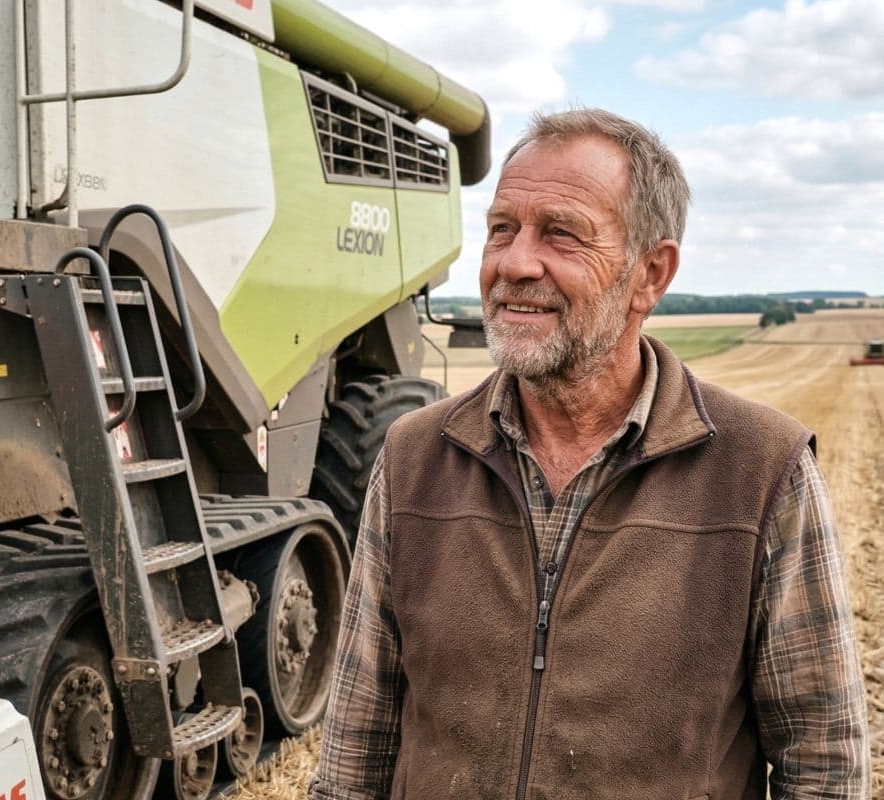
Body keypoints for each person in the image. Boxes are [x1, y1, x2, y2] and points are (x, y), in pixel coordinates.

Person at [307, 108, 869, 800]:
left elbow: (822, 761)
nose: (514, 264)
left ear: (649, 274)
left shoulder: (761, 471)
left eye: (561, 235)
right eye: (500, 230)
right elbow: (357, 741)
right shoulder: (414, 457)